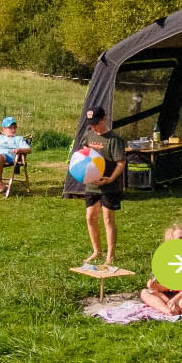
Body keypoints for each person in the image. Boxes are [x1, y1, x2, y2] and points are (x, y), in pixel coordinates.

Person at [78, 105, 127, 267]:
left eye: (96, 123)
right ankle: (96, 251)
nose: (93, 126)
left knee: (108, 219)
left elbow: (121, 163)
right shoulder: (88, 135)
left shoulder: (114, 140)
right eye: (91, 123)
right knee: (90, 217)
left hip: (108, 187)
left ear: (104, 119)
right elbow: (83, 154)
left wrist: (110, 179)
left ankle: (110, 256)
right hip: (91, 186)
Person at [140, 224, 182, 315]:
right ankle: (167, 310)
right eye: (180, 238)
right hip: (171, 296)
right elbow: (168, 287)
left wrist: (175, 299)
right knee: (144, 293)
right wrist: (156, 287)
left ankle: (174, 307)